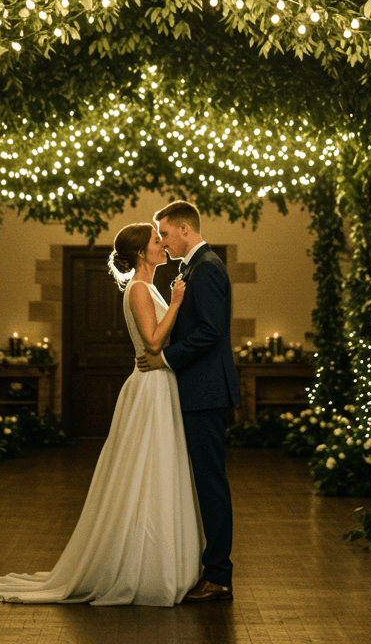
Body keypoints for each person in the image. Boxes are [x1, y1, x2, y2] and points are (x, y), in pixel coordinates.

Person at [0, 221, 202, 606]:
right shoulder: (140, 289)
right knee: (146, 468)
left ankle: (160, 560)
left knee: (159, 467)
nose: (162, 244)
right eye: (155, 241)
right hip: (150, 387)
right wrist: (178, 303)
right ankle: (143, 566)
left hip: (158, 383)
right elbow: (152, 341)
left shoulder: (147, 286)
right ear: (140, 253)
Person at [136, 200, 239, 602]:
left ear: (184, 228)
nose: (162, 241)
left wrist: (164, 357)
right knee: (203, 481)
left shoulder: (207, 267)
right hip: (198, 390)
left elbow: (211, 332)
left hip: (206, 392)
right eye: (158, 236)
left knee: (211, 483)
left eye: (164, 233)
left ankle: (219, 574)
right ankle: (209, 567)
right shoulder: (196, 267)